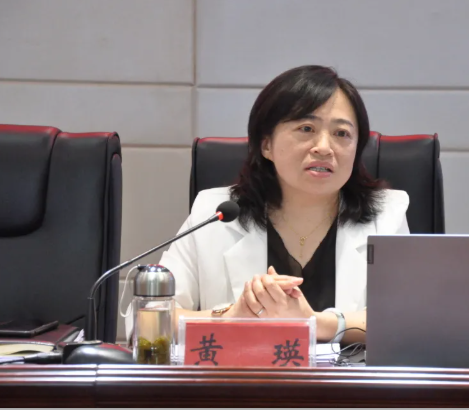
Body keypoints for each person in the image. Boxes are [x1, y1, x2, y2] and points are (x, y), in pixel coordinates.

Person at [141, 65, 409, 344]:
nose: (324, 147)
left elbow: (409, 321)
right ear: (266, 145)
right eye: (306, 128)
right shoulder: (215, 214)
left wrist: (316, 323)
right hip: (241, 374)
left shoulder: (386, 216)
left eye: (341, 134)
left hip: (350, 374)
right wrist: (230, 318)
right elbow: (148, 320)